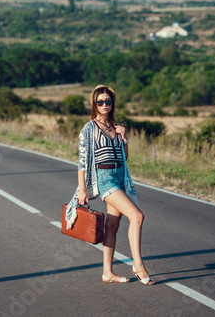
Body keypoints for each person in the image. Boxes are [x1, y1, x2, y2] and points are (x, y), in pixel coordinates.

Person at [65, 84, 154, 285]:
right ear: (94, 105)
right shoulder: (90, 128)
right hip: (104, 178)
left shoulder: (116, 126)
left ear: (112, 103)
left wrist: (124, 138)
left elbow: (125, 157)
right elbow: (82, 161)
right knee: (137, 216)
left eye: (108, 101)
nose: (104, 105)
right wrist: (81, 190)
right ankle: (138, 265)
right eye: (100, 102)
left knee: (112, 225)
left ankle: (107, 273)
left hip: (120, 176)